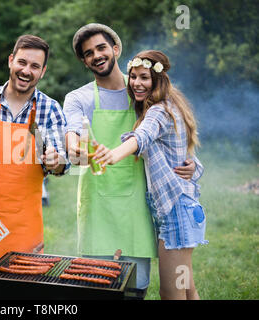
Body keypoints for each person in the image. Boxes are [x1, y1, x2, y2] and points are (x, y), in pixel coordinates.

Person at [63, 23, 203, 298]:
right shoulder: (78, 98)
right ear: (83, 60)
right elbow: (73, 134)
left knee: (136, 290)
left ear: (116, 49)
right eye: (88, 53)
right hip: (98, 208)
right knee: (98, 289)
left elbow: (169, 138)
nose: (96, 55)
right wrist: (75, 149)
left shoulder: (144, 94)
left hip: (141, 208)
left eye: (101, 47)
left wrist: (195, 166)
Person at [98, 50, 208, 299]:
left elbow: (142, 136)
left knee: (171, 292)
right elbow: (180, 153)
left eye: (144, 77)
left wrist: (114, 155)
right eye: (133, 77)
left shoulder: (158, 112)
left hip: (176, 213)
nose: (137, 83)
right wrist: (193, 166)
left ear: (158, 80)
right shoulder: (170, 105)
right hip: (181, 207)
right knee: (187, 287)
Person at [0, 35, 69, 288]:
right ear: (11, 61)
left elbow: (60, 163)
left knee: (26, 289)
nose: (26, 71)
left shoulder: (50, 109)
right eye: (22, 62)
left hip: (25, 219)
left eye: (35, 66)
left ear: (43, 71)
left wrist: (56, 161)